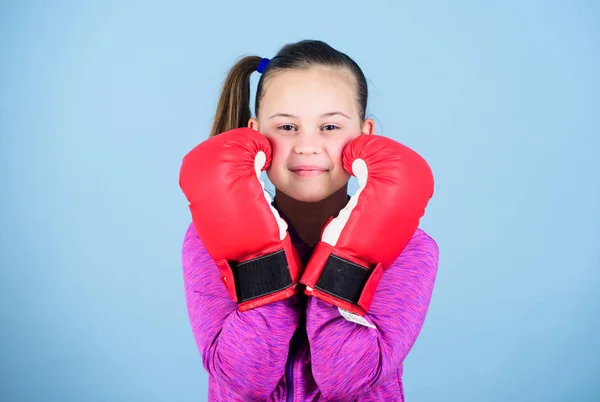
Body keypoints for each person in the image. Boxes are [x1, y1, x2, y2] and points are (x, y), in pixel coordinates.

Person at [179, 39, 439, 401]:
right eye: (287, 127)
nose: (307, 146)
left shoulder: (410, 248)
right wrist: (261, 259)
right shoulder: (206, 238)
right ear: (255, 135)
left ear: (365, 137)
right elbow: (243, 378)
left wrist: (347, 261)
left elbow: (349, 380)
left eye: (329, 127)